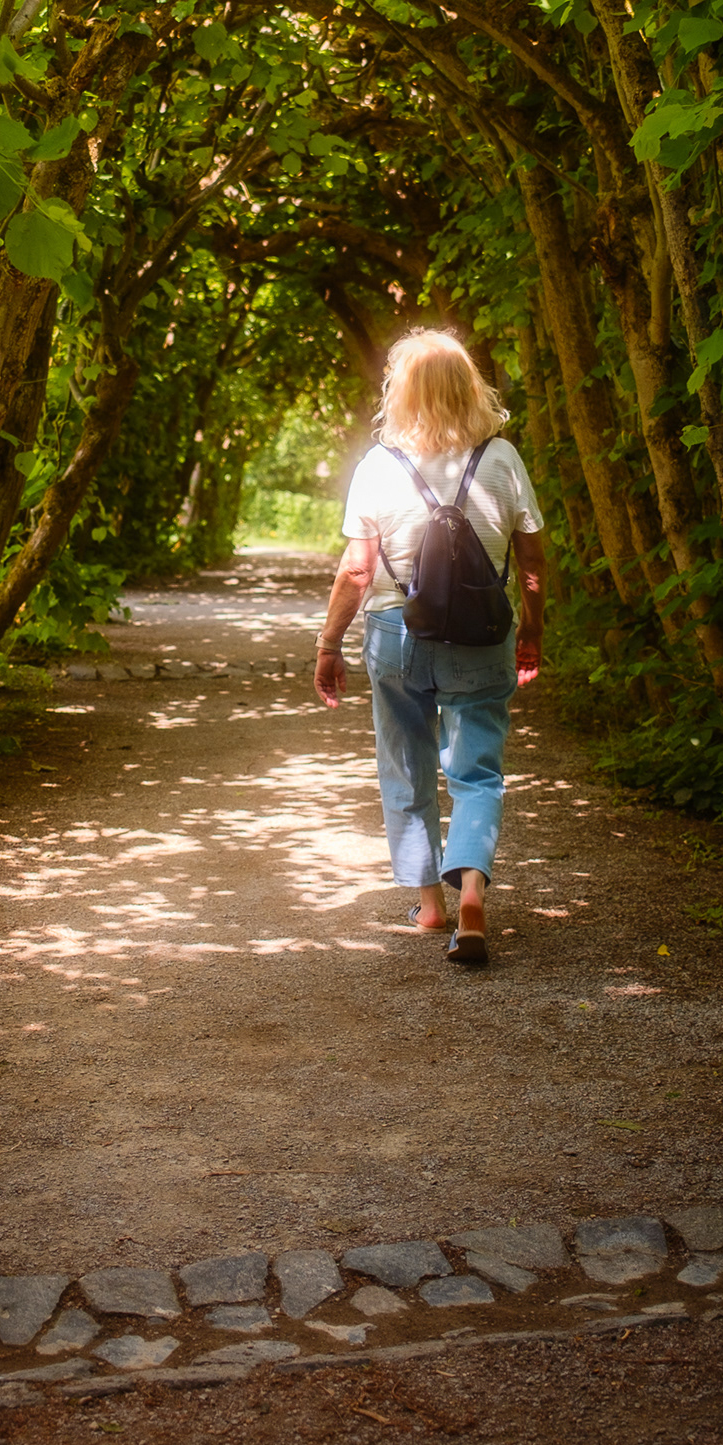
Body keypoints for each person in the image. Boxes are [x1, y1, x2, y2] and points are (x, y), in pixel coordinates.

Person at [313, 328, 546, 968]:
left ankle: (430, 905)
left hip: (397, 635)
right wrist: (531, 631)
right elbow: (532, 561)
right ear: (471, 387)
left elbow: (357, 570)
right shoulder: (502, 459)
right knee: (477, 771)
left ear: (402, 392)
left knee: (406, 765)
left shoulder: (378, 466)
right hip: (483, 637)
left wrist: (329, 643)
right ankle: (471, 895)